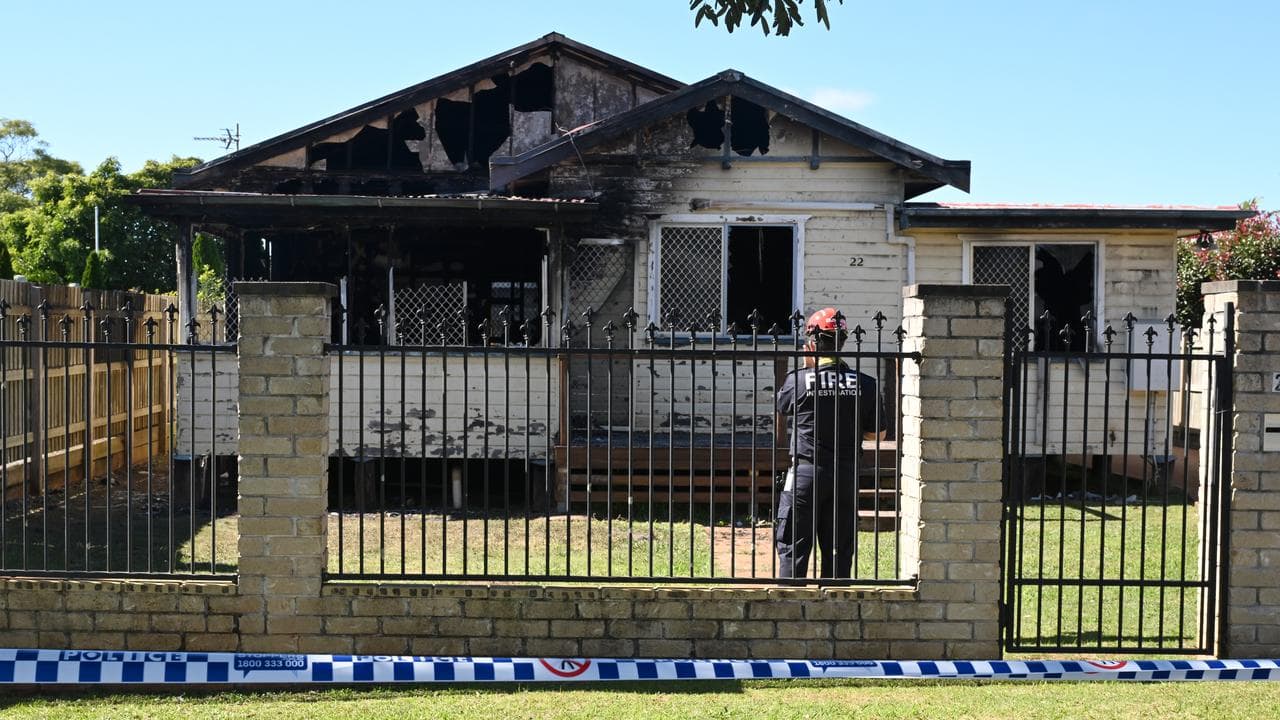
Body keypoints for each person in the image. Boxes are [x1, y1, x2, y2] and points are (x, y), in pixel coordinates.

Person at [774, 307, 882, 579]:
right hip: (845, 474)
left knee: (793, 544)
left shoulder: (798, 380)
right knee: (838, 549)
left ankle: (790, 598)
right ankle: (836, 597)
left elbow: (783, 408)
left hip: (806, 471)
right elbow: (878, 435)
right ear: (842, 342)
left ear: (812, 344)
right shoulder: (866, 384)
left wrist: (809, 369)